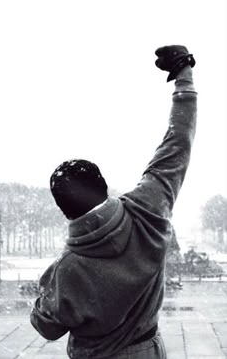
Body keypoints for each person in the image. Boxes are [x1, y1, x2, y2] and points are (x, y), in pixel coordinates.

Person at [30, 45, 197, 359]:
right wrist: (184, 77)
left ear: (62, 209)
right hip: (149, 349)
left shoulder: (67, 269)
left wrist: (46, 291)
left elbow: (45, 325)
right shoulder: (148, 208)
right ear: (105, 186)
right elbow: (178, 142)